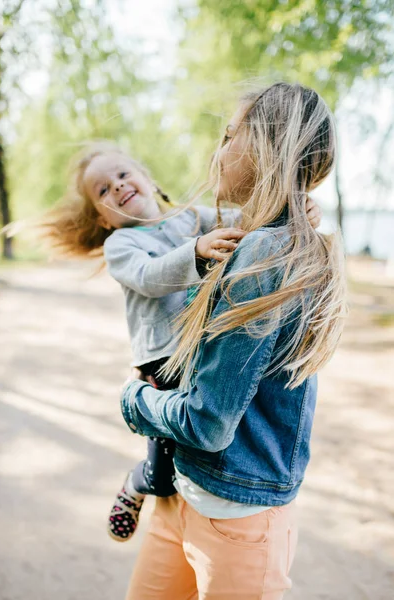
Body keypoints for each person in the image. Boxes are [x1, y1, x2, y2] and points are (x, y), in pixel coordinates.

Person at [120, 82, 347, 600]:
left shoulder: (266, 258)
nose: (216, 152)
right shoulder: (261, 240)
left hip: (237, 521)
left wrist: (133, 401)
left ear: (268, 146)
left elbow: (207, 421)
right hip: (184, 496)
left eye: (228, 135)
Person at [40, 141, 320, 543]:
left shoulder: (191, 218)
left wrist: (297, 212)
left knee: (204, 437)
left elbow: (248, 222)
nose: (117, 187)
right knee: (163, 470)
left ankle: (201, 504)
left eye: (122, 175)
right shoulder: (122, 244)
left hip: (198, 351)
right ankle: (138, 482)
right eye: (103, 191)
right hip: (163, 362)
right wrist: (197, 253)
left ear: (148, 179)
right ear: (102, 219)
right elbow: (150, 277)